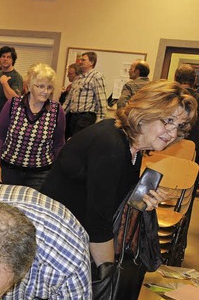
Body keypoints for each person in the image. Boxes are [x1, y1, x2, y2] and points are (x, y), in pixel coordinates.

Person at [42, 80, 196, 268]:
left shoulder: (132, 147)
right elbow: (99, 227)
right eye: (168, 121)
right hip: (53, 244)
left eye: (179, 126)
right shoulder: (111, 145)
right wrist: (109, 278)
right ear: (145, 113)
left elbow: (113, 201)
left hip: (72, 239)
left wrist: (142, 199)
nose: (173, 133)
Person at [0, 63, 66, 190]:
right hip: (9, 169)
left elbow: (58, 144)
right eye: (40, 86)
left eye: (49, 87)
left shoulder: (57, 110)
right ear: (30, 86)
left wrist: (59, 172)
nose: (45, 91)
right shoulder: (13, 104)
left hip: (41, 174)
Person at [63, 51, 107, 137]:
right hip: (73, 117)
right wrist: (60, 115)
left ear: (91, 62)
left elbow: (101, 99)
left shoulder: (96, 76)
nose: (80, 62)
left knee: (78, 143)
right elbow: (68, 100)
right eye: (80, 60)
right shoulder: (78, 78)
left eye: (83, 60)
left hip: (86, 118)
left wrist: (100, 120)